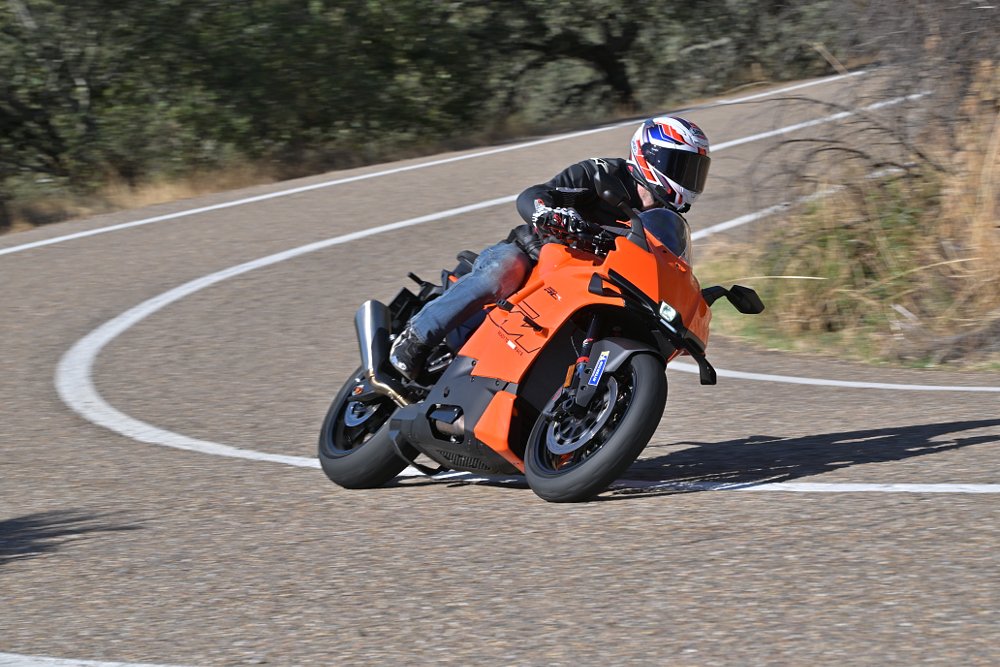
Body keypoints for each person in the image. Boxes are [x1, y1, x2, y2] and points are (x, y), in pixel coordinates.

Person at [389, 115, 712, 380]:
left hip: (590, 284)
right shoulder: (602, 173)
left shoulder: (666, 223)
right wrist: (548, 213)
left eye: (695, 172)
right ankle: (416, 338)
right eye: (680, 166)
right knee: (505, 269)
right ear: (649, 154)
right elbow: (535, 194)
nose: (688, 179)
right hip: (535, 254)